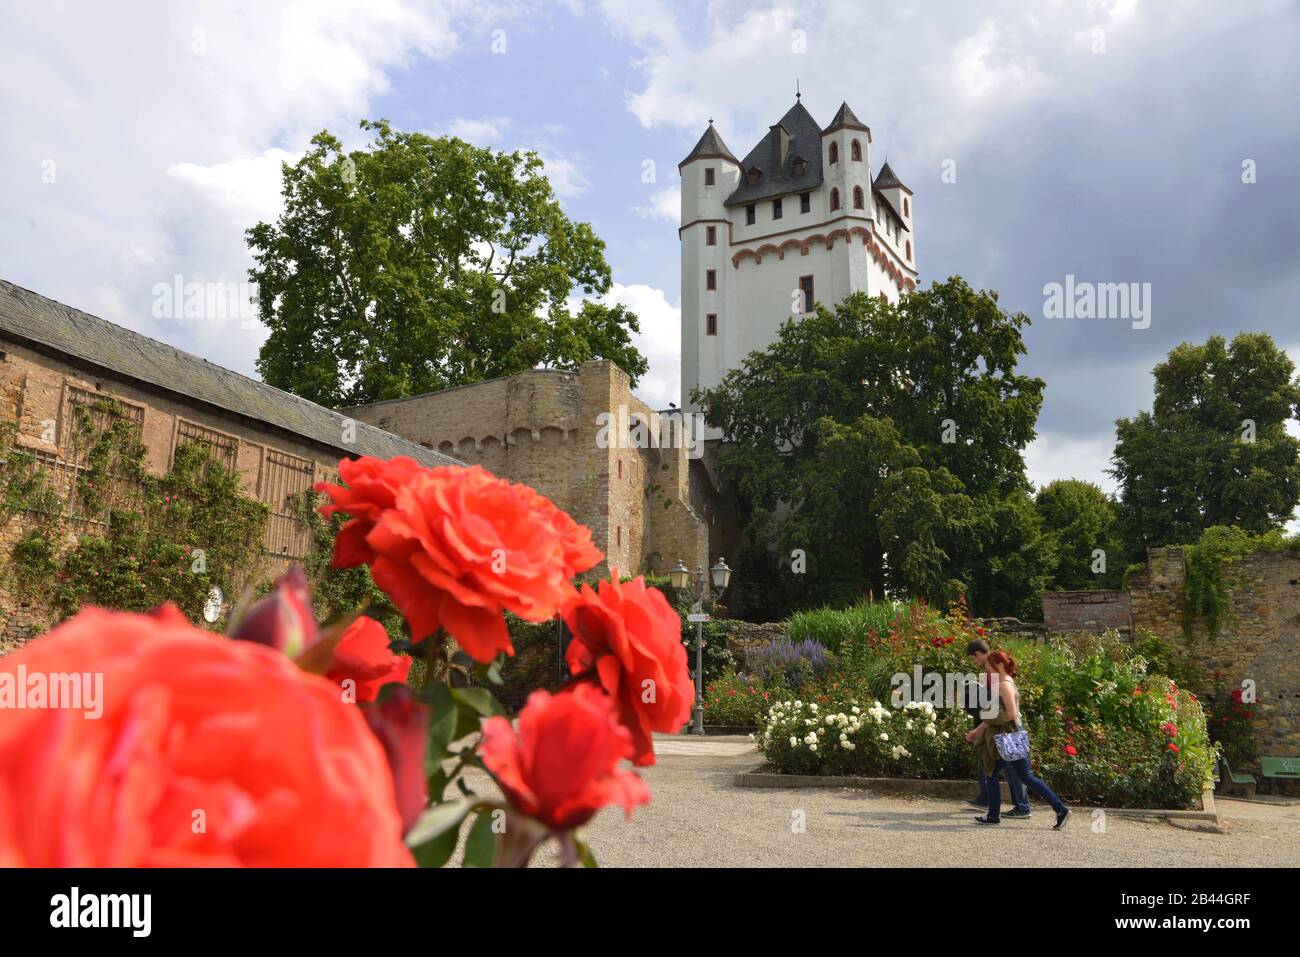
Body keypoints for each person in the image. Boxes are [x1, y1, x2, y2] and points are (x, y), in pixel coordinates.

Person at [966, 651, 1071, 829]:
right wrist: (977, 731)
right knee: (994, 774)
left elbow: (1011, 714)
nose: (987, 670)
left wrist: (987, 721)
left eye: (988, 667)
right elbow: (996, 713)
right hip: (1005, 735)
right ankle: (993, 815)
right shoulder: (1003, 683)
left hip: (1009, 735)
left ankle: (1060, 808)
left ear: (998, 665)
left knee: (1024, 776)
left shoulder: (1006, 684)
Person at [964, 639, 1031, 817]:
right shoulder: (994, 668)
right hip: (999, 723)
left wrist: (982, 725)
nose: (975, 663)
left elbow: (997, 703)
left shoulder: (992, 670)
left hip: (1003, 725)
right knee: (989, 764)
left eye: (973, 659)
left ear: (978, 654)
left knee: (1011, 769)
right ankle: (987, 798)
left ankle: (1022, 805)